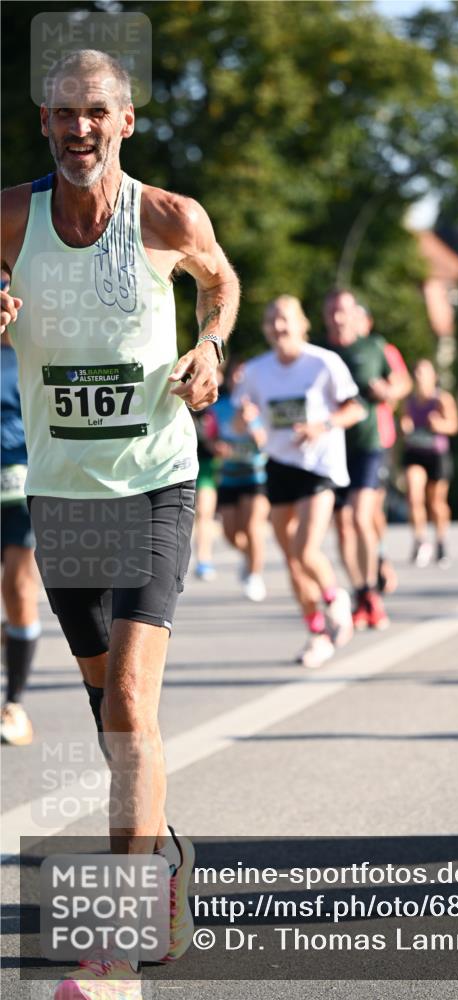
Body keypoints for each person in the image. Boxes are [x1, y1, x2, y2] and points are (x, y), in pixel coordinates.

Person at [1, 49, 240, 997]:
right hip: (62, 492)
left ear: (126, 121)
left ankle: (118, 944)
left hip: (153, 483)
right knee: (109, 711)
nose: (77, 129)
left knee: (134, 705)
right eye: (61, 113)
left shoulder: (168, 217)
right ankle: (163, 862)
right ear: (46, 122)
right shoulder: (11, 217)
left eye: (94, 112)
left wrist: (211, 343)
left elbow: (219, 282)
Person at [235, 296, 363, 668]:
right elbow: (239, 423)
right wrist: (246, 419)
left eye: (285, 319)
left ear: (303, 324)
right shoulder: (257, 371)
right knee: (292, 561)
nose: (278, 327)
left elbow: (355, 408)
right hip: (279, 464)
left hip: (319, 465)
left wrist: (321, 426)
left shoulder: (324, 363)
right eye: (272, 320)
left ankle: (336, 597)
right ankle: (317, 632)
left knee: (306, 550)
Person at [324, 289, 408, 631]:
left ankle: (373, 581)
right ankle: (363, 592)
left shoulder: (375, 347)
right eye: (332, 311)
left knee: (361, 515)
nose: (338, 317)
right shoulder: (320, 353)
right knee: (343, 526)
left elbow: (402, 381)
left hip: (369, 443)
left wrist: (390, 390)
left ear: (356, 315)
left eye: (344, 310)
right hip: (331, 449)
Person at [1, 312, 40, 746]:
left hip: (21, 482)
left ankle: (14, 703)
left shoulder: (35, 355)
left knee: (18, 589)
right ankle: (12, 637)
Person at [356, 302, 412, 594]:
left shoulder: (381, 349)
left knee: (371, 507)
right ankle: (366, 569)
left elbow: (404, 383)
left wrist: (388, 392)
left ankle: (381, 559)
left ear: (367, 322)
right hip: (343, 440)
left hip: (378, 438)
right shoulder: (335, 351)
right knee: (352, 514)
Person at [211, 358, 269, 601]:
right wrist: (217, 446)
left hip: (257, 476)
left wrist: (251, 423)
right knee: (231, 532)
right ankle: (250, 556)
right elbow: (211, 438)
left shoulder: (261, 405)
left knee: (253, 526)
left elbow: (266, 440)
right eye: (236, 375)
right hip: (229, 476)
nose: (239, 380)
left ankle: (254, 575)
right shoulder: (219, 406)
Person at [400, 358, 458, 567]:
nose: (420, 378)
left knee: (436, 502)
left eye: (424, 374)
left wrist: (439, 425)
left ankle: (441, 541)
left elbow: (453, 426)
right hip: (415, 452)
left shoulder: (442, 399)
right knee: (414, 496)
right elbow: (405, 421)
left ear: (433, 377)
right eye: (417, 373)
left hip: (436, 454)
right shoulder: (410, 401)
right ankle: (420, 541)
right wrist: (405, 426)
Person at [192, 399, 223, 580]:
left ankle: (204, 560)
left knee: (204, 513)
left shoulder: (215, 405)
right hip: (178, 464)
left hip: (207, 465)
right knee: (198, 514)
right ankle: (201, 559)